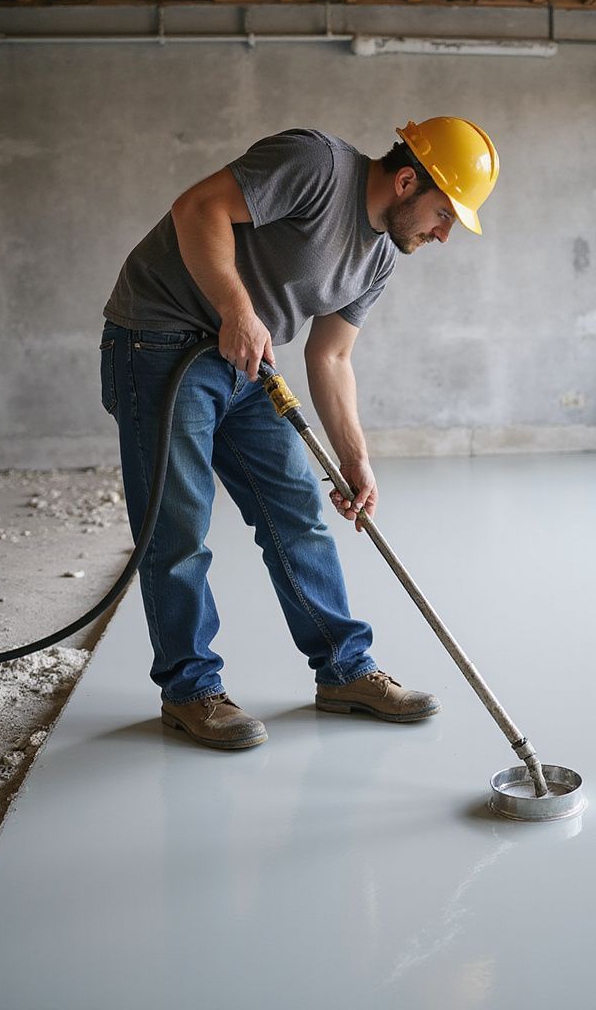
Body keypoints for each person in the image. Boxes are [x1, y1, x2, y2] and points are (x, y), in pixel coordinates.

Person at [98, 117, 500, 750]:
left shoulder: (379, 260)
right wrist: (237, 310)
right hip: (158, 341)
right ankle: (190, 690)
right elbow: (195, 208)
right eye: (444, 214)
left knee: (298, 516)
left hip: (248, 363)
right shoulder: (317, 165)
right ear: (404, 181)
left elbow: (332, 357)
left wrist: (356, 461)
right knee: (179, 527)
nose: (444, 234)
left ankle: (345, 672)